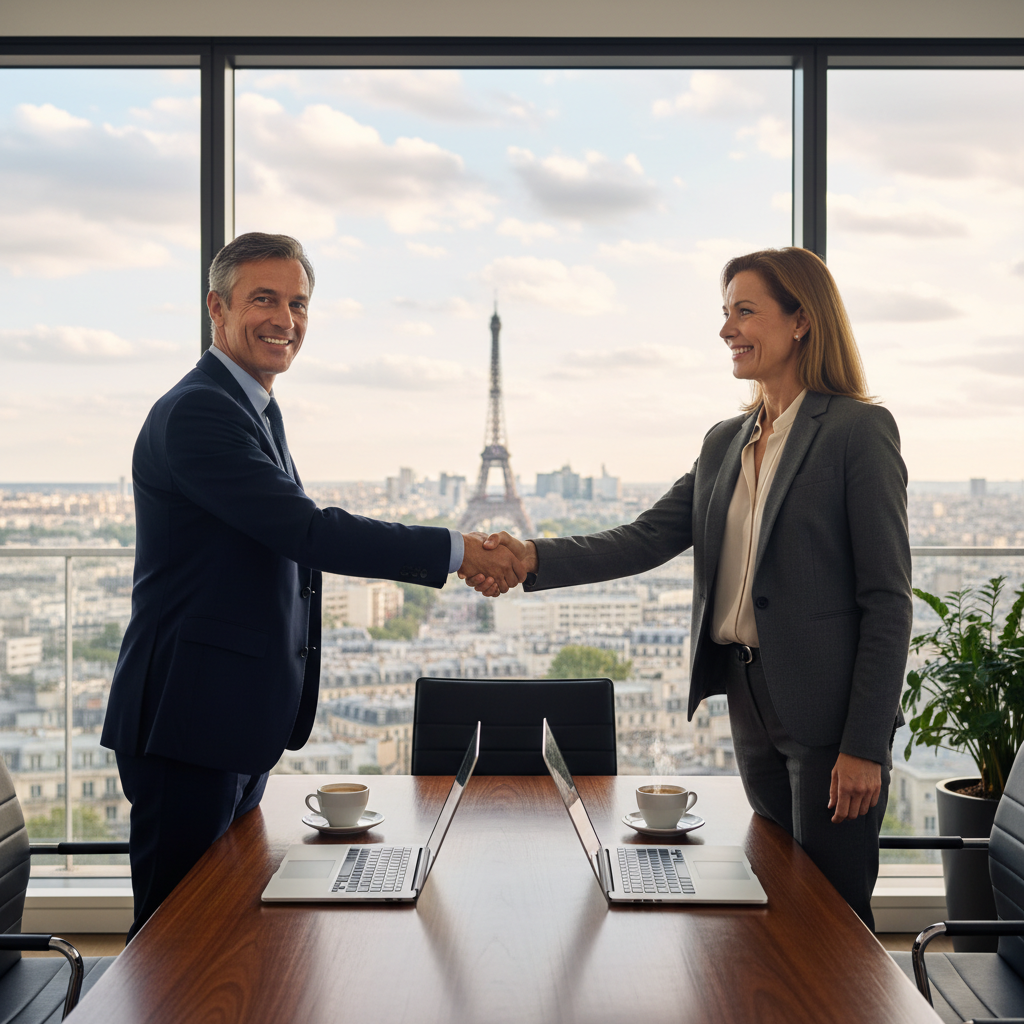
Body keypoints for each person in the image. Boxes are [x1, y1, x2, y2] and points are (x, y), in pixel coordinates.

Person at [465, 247, 912, 928]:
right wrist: (529, 557)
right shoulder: (725, 441)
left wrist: (865, 745)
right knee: (777, 894)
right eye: (724, 312)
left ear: (801, 321)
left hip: (828, 715)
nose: (727, 328)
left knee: (834, 914)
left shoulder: (856, 431)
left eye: (744, 311)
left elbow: (887, 599)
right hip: (749, 698)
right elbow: (645, 537)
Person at [102, 232, 526, 941]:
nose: (285, 319)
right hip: (187, 717)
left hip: (227, 715)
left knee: (219, 930)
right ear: (217, 306)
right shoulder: (201, 411)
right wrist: (458, 551)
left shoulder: (252, 407)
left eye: (298, 303)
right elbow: (307, 532)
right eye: (264, 299)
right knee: (177, 942)